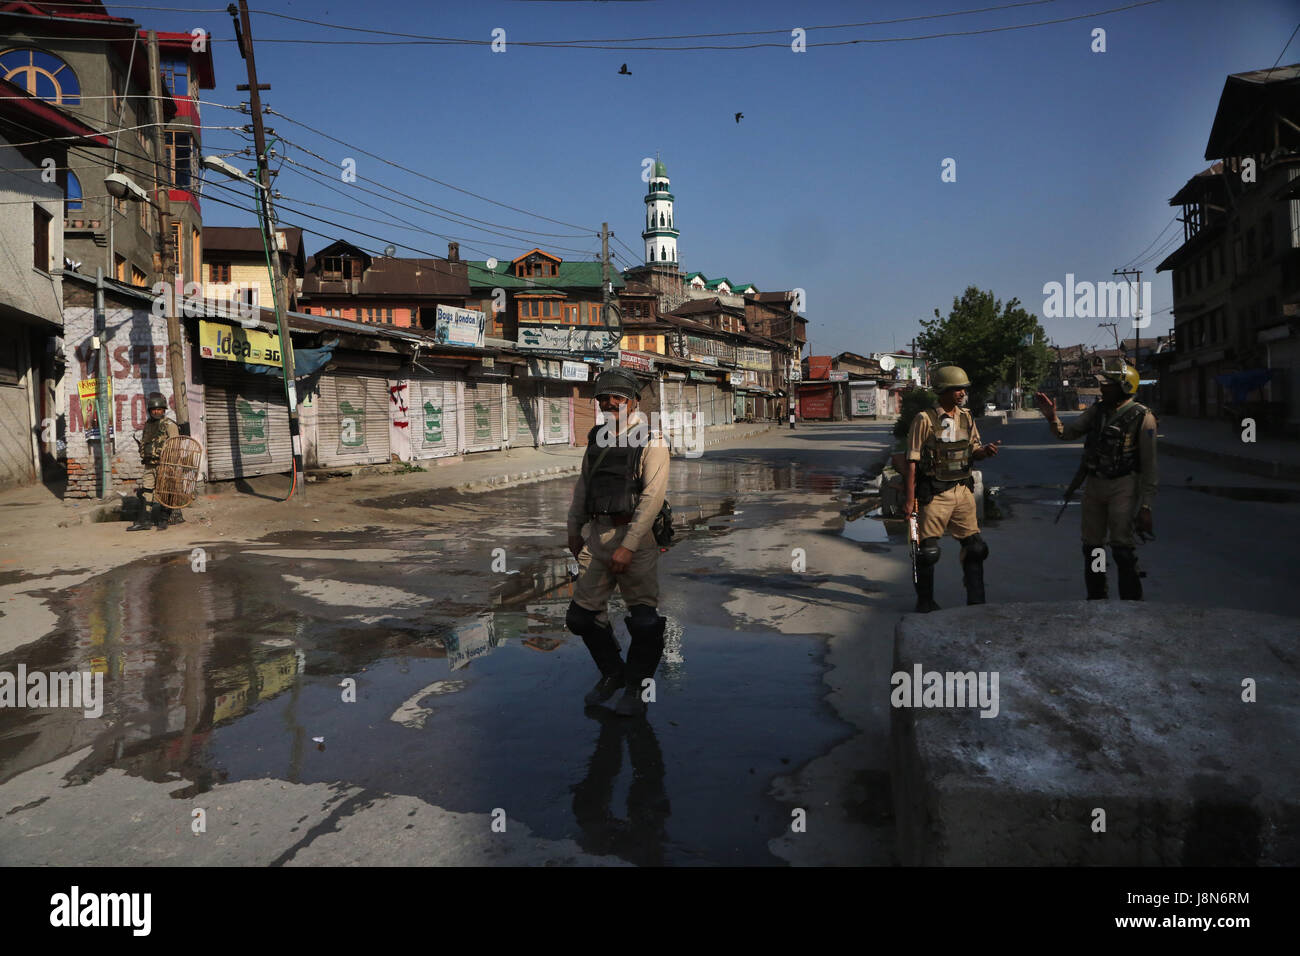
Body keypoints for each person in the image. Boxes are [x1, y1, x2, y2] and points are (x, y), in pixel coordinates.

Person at [565, 367, 670, 717]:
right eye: (604, 398)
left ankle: (639, 686)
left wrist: (629, 545)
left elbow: (653, 498)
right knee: (580, 618)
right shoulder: (598, 437)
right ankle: (613, 673)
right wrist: (573, 527)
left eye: (618, 398)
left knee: (643, 620)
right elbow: (584, 485)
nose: (610, 404)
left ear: (634, 401)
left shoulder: (651, 441)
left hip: (634, 537)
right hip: (597, 535)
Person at [1035, 360, 1157, 600]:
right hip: (1095, 484)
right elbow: (1067, 433)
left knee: (1122, 548)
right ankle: (1098, 598)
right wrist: (1052, 418)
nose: (1102, 389)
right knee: (1093, 547)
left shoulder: (1142, 417)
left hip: (1124, 484)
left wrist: (1146, 506)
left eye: (1107, 385)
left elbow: (1150, 465)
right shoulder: (1097, 411)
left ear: (1123, 387)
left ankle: (1131, 604)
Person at [904, 366, 1001, 612]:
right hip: (935, 494)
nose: (961, 393)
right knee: (927, 552)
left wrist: (985, 452)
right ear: (942, 391)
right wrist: (909, 500)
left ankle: (976, 601)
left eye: (963, 389)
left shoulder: (967, 417)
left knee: (976, 548)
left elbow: (974, 451)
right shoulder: (924, 419)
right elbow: (912, 461)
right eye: (956, 389)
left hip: (962, 491)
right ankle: (925, 602)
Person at [127, 393, 180, 531]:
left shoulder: (169, 425)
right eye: (154, 410)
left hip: (165, 464)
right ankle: (145, 521)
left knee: (165, 491)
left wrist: (171, 464)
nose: (156, 412)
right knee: (147, 491)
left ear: (163, 410)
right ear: (150, 411)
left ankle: (164, 520)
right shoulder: (148, 425)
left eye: (159, 409)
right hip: (149, 464)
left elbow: (175, 445)